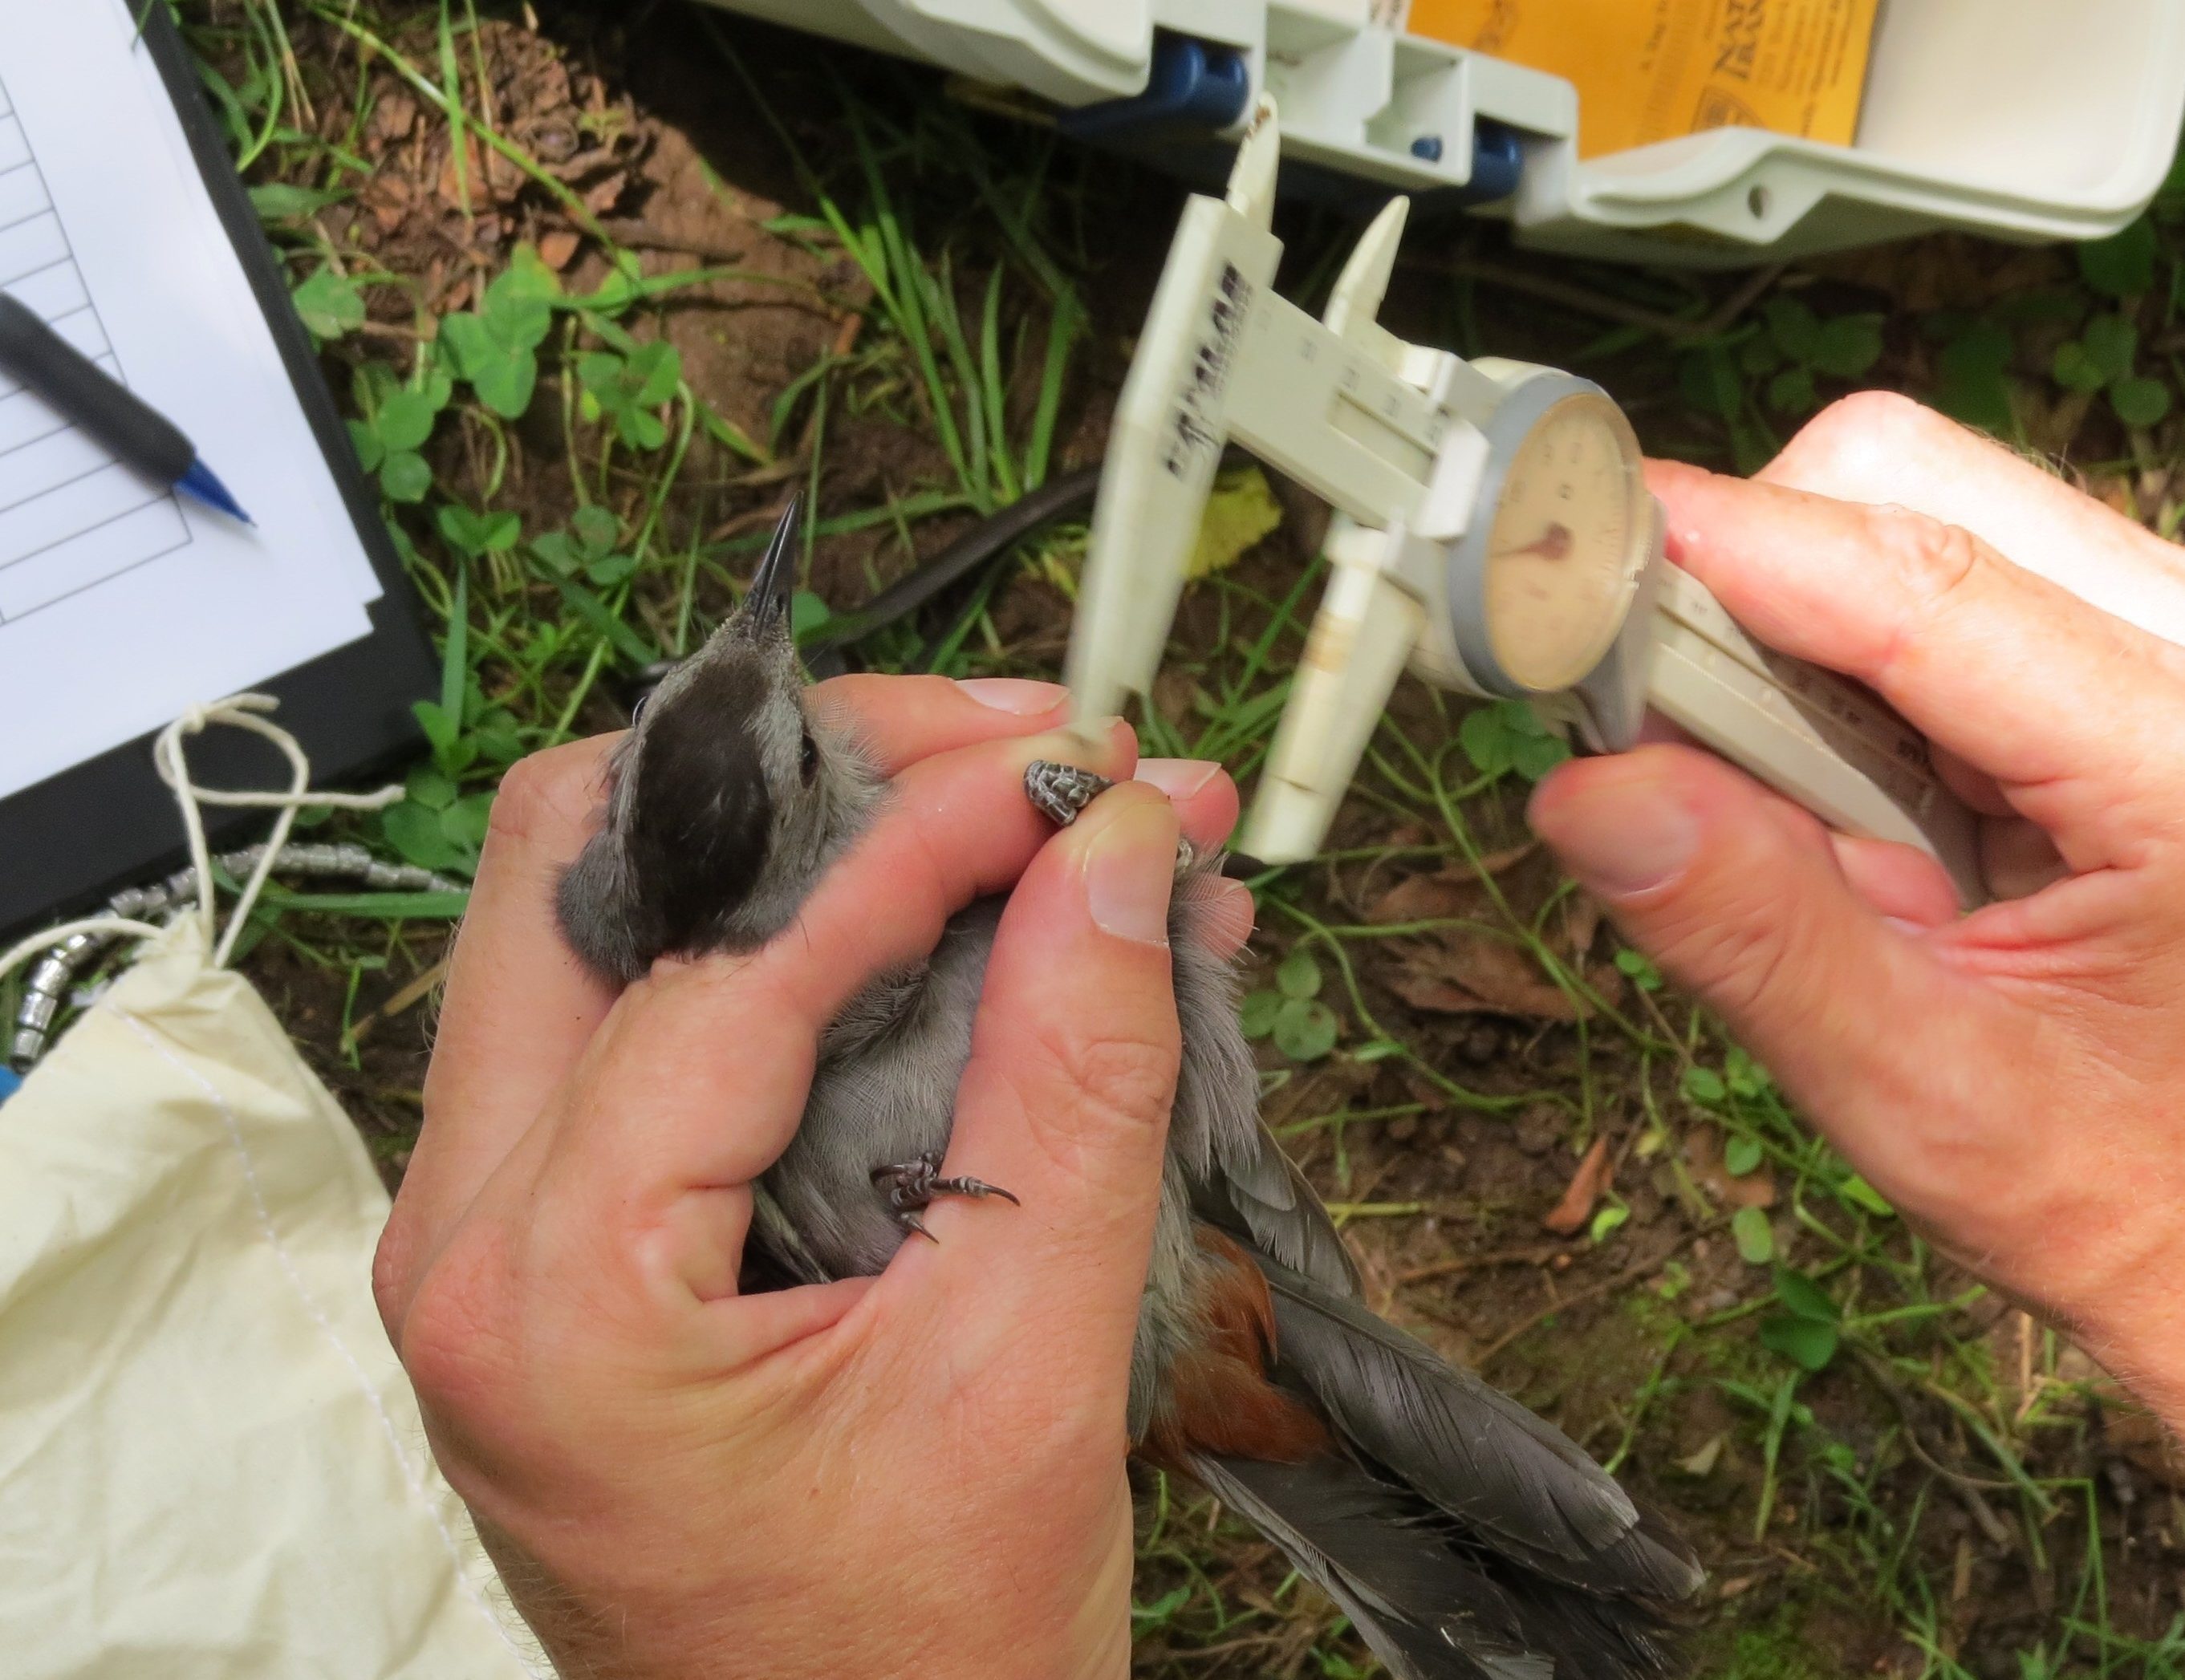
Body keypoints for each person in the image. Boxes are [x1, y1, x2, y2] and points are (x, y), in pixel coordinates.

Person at [372, 392, 2185, 1678]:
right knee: (1277, 1351)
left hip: (1170, 1194)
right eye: (779, 729)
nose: (776, 642)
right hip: (1069, 1307)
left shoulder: (758, 909)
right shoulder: (677, 1036)